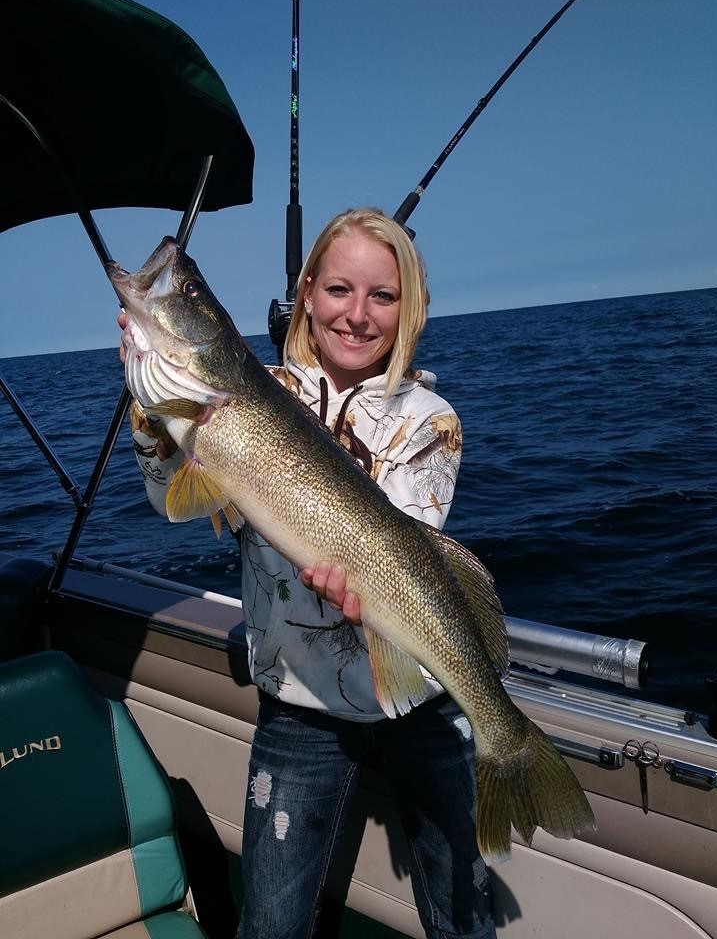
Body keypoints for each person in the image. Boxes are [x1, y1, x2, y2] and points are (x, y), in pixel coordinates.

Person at [120, 208, 496, 939]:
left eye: (381, 296)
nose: (357, 315)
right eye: (338, 290)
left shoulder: (432, 417)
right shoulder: (246, 389)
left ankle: (505, 746)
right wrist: (149, 407)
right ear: (306, 292)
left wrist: (366, 595)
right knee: (271, 920)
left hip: (416, 694)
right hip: (299, 694)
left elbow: (409, 547)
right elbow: (174, 499)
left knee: (461, 914)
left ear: (408, 308)